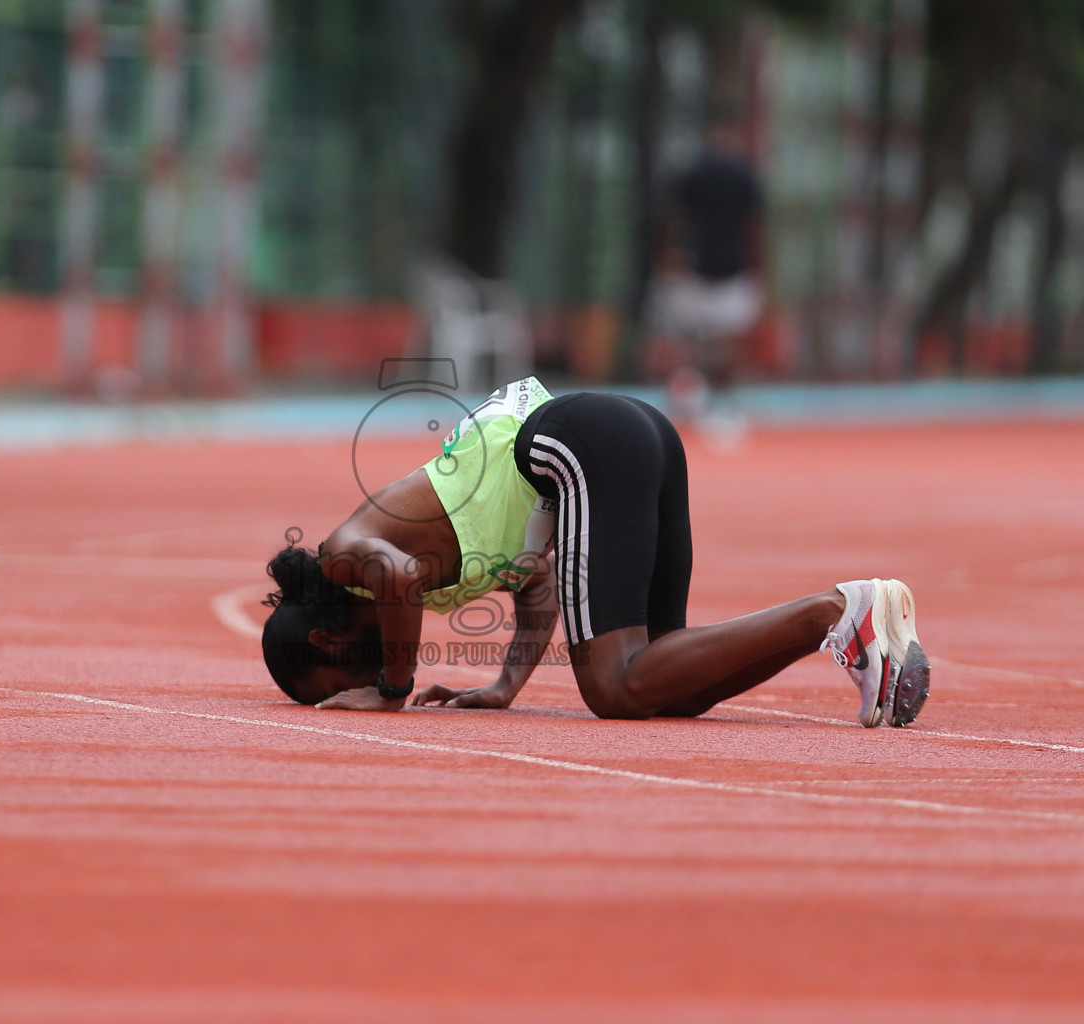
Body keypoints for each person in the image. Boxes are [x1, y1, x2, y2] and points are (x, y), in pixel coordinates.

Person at [261, 377, 929, 726]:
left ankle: (833, 611)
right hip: (630, 434)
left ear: (326, 639)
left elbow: (401, 579)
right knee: (669, 687)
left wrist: (390, 692)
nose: (349, 692)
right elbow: (536, 587)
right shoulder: (424, 568)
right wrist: (503, 687)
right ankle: (850, 625)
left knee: (613, 687)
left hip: (578, 441)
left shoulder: (347, 552)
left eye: (337, 684)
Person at [645, 117, 764, 427]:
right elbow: (753, 227)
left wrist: (668, 255)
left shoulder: (727, 175)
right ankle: (700, 402)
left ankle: (712, 404)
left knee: (713, 346)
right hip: (704, 271)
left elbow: (671, 218)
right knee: (708, 347)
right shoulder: (711, 174)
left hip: (718, 271)